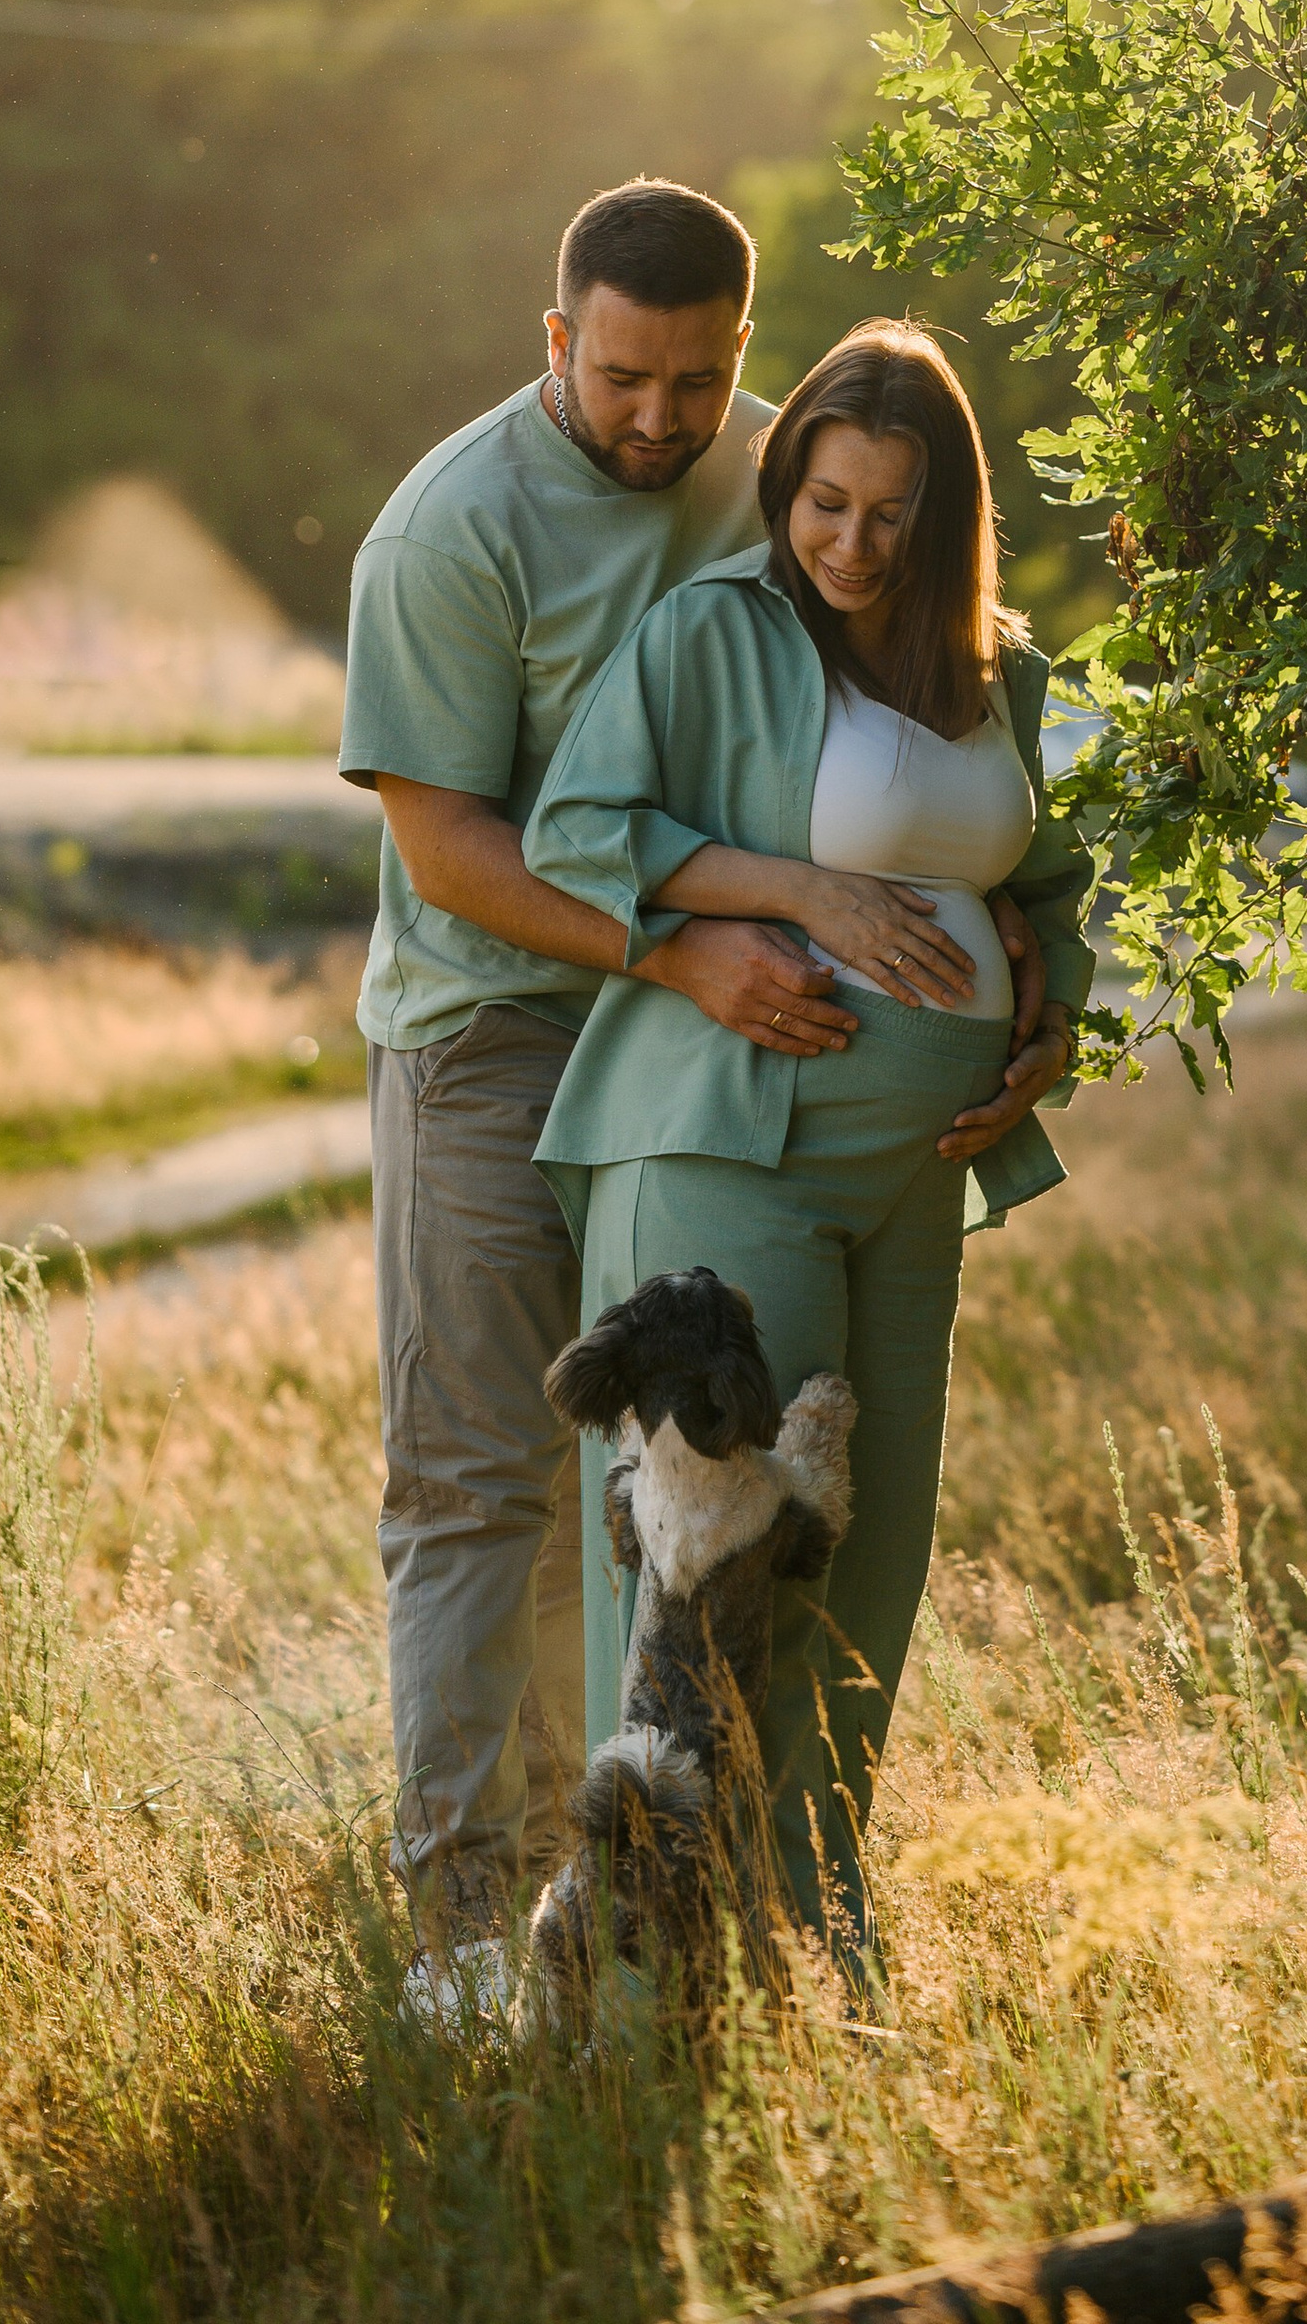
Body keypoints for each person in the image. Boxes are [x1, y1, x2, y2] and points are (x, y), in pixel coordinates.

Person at [340, 185, 1050, 2019]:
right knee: (482, 1476)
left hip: (731, 1050)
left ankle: (642, 1895)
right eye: (625, 375)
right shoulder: (453, 532)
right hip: (500, 1026)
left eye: (700, 378)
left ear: (746, 354)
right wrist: (689, 946)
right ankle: (464, 1928)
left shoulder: (788, 469)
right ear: (554, 337)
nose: (663, 418)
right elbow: (454, 844)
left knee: (652, 1501)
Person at [524, 321, 1095, 1947]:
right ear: (785, 490)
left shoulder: (1001, 669)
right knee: (715, 1575)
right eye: (821, 502)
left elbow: (1039, 889)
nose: (847, 543)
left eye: (888, 513)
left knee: (875, 1562)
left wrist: (1042, 1018)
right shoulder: (715, 632)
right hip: (727, 1146)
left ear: (944, 515)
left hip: (916, 1181)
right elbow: (578, 832)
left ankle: (807, 1939)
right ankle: (651, 1970)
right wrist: (794, 888)